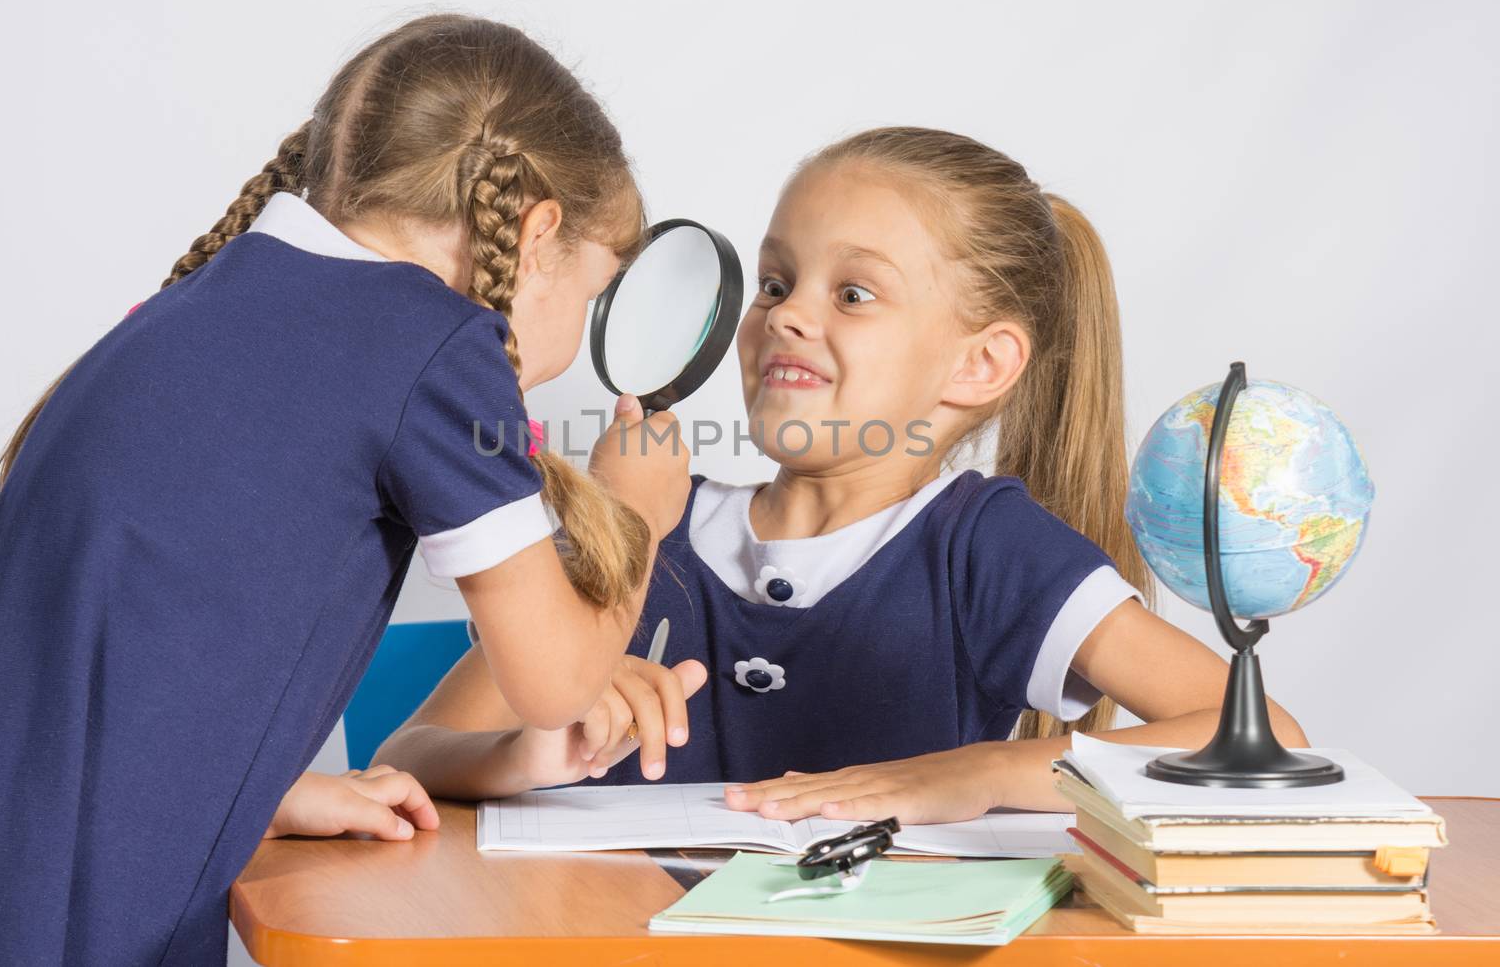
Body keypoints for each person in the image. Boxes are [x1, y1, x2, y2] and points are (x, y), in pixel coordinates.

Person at [0, 14, 689, 965]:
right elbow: (556, 681)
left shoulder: (204, 299)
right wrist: (637, 509)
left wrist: (264, 789)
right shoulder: (434, 343)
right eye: (595, 290)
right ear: (537, 235)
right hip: (61, 912)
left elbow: (110, 652)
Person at [378, 126, 1309, 825]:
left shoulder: (981, 546)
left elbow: (1253, 733)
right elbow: (410, 752)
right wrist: (531, 749)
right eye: (777, 283)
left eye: (853, 293)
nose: (784, 316)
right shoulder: (651, 520)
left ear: (978, 366)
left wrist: (975, 774)